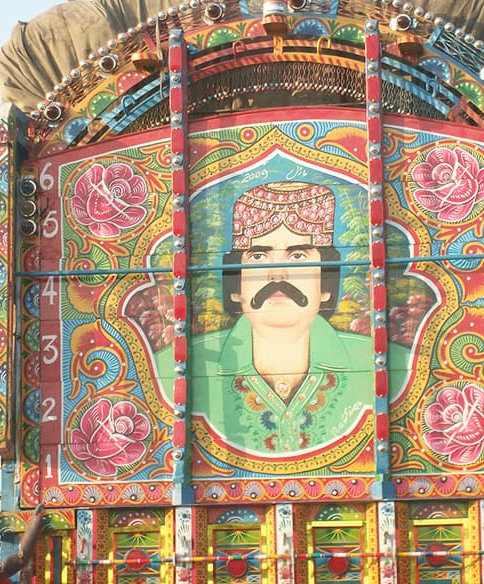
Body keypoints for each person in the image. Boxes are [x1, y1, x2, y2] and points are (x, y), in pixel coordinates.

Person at [154, 182, 408, 456]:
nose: (277, 274)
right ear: (236, 286)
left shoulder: (390, 361)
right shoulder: (166, 366)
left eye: (298, 255)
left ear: (326, 285)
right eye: (258, 256)